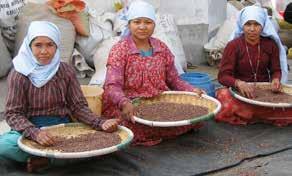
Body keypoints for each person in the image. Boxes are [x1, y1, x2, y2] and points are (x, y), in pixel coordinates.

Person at [0, 21, 119, 172]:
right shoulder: (19, 74)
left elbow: (78, 107)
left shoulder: (65, 71)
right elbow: (13, 114)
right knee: (4, 146)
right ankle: (54, 159)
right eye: (38, 45)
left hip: (62, 130)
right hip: (29, 129)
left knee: (103, 144)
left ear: (56, 46)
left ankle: (44, 160)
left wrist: (100, 123)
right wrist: (35, 133)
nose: (44, 51)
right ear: (29, 45)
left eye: (50, 45)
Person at [102, 0, 205, 146]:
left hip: (157, 102)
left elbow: (174, 79)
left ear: (154, 25)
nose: (142, 27)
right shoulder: (120, 50)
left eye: (148, 22)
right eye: (137, 22)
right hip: (128, 105)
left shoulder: (161, 47)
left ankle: (161, 129)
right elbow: (112, 85)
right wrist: (124, 102)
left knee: (196, 118)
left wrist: (191, 90)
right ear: (129, 24)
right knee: (129, 125)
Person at [216, 5, 292, 126]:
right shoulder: (233, 46)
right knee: (223, 96)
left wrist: (276, 79)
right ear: (242, 25)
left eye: (256, 24)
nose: (252, 29)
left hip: (265, 92)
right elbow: (223, 76)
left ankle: (253, 113)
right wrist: (238, 83)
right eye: (248, 24)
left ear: (263, 25)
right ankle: (260, 114)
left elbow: (276, 70)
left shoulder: (270, 45)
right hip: (240, 93)